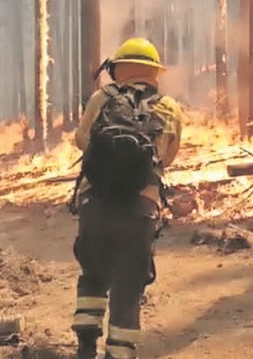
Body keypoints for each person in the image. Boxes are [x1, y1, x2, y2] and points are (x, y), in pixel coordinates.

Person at [71, 37, 183, 359]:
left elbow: (82, 141)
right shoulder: (169, 107)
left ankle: (85, 346)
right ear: (154, 72)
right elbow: (169, 157)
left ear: (117, 69)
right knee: (129, 285)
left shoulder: (100, 98)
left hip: (95, 204)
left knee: (93, 273)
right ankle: (118, 353)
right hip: (141, 208)